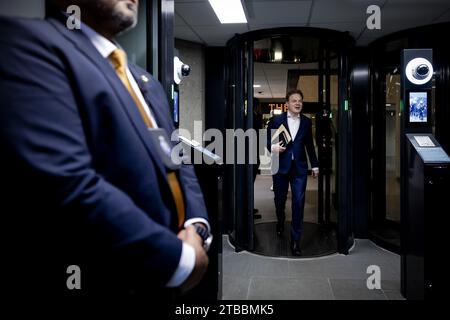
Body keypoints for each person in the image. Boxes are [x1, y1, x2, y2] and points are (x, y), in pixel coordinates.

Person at [0, 0, 211, 298]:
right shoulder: (27, 46)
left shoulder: (144, 80)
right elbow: (66, 184)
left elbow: (176, 157)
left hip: (173, 265)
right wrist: (180, 258)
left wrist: (197, 223)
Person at [267, 89, 319, 256]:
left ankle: (296, 240)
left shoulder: (306, 122)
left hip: (299, 169)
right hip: (280, 167)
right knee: (279, 200)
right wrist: (272, 147)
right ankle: (280, 221)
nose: (298, 103)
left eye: (300, 101)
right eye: (294, 100)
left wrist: (315, 165)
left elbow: (309, 144)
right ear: (287, 104)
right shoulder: (276, 120)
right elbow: (267, 139)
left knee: (298, 202)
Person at [252, 98, 263, 219]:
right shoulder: (252, 118)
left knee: (251, 181)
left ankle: (249, 206)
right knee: (249, 181)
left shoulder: (254, 116)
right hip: (251, 154)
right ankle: (248, 208)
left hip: (254, 153)